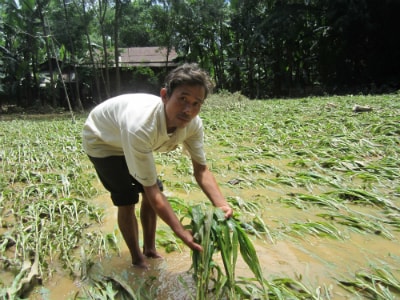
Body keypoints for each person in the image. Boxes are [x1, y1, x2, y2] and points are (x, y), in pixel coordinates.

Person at [82, 63, 233, 269]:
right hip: (103, 140)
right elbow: (150, 189)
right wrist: (180, 231)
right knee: (127, 198)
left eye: (197, 103)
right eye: (183, 99)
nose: (188, 110)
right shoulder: (142, 125)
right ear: (164, 95)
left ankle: (150, 249)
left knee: (154, 191)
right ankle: (137, 258)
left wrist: (221, 204)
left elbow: (201, 170)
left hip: (129, 138)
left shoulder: (193, 125)